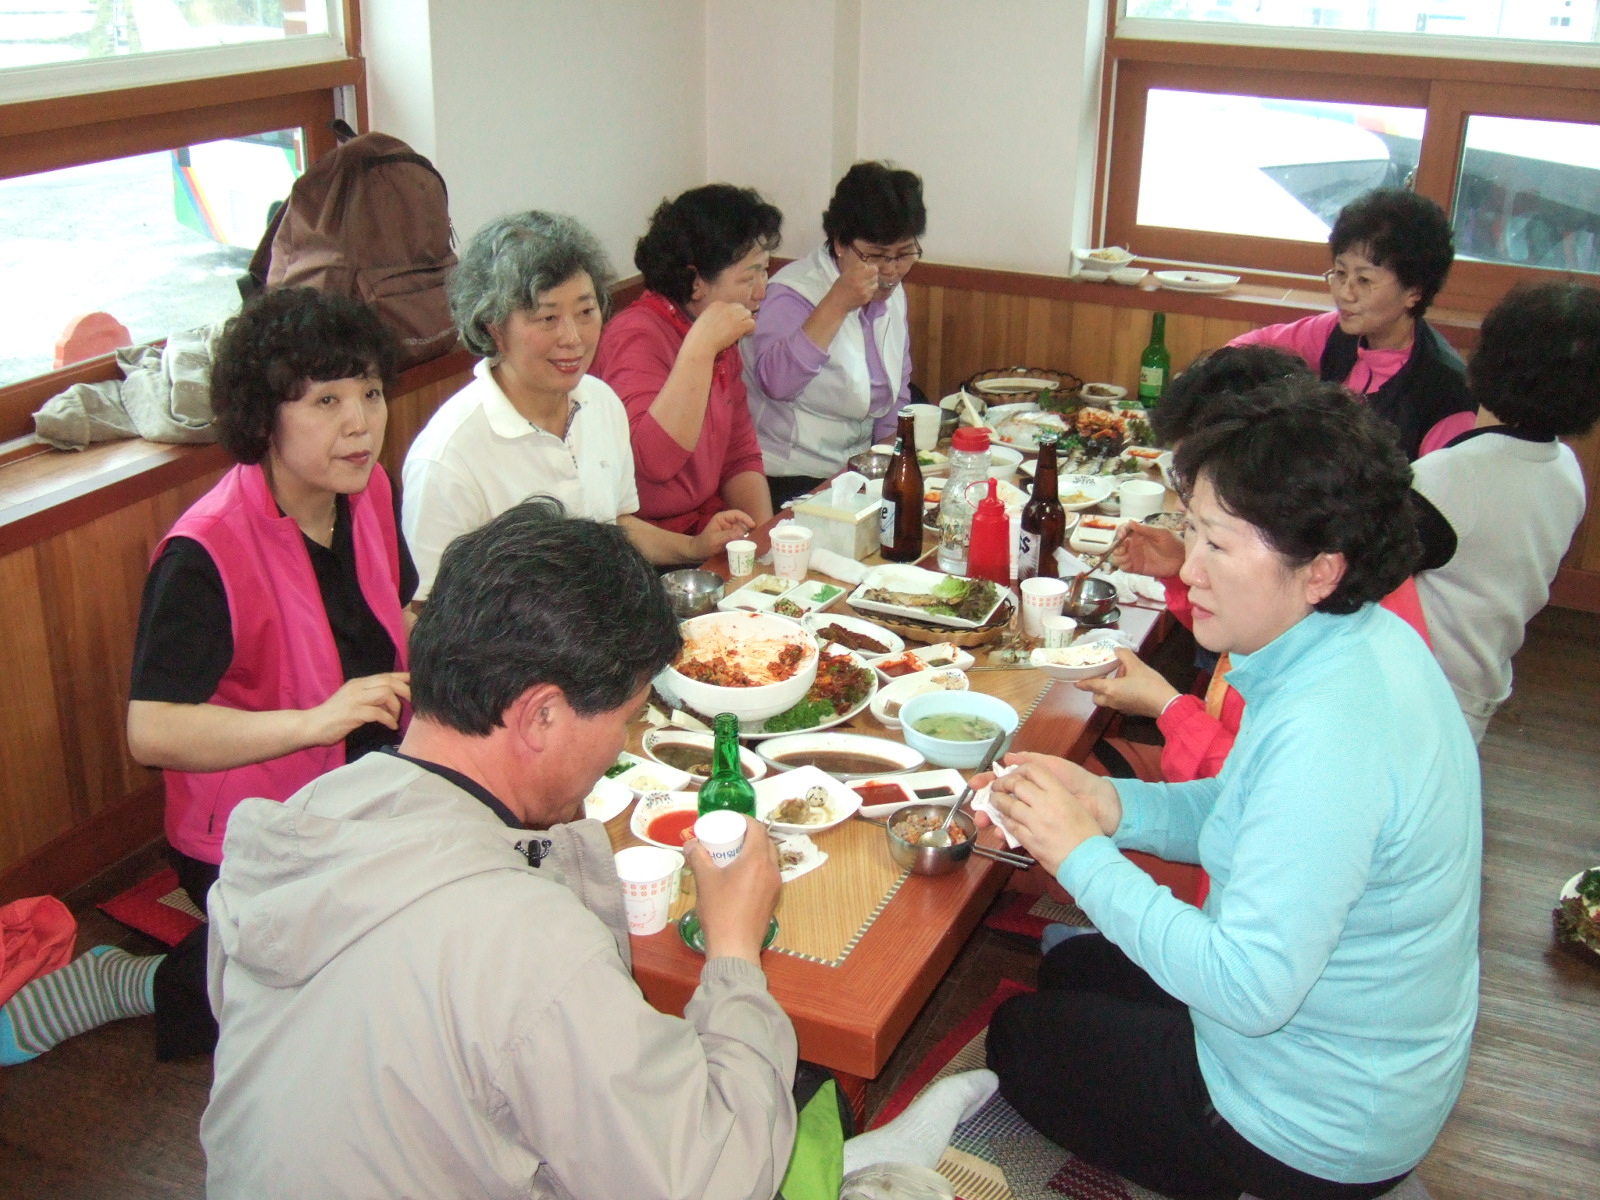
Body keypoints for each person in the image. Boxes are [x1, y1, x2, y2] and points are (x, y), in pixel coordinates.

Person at [198, 498, 996, 1199]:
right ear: (541, 716)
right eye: (626, 718)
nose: (621, 744)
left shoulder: (300, 822)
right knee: (768, 1108)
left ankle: (846, 1159)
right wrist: (732, 953)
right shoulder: (530, 945)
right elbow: (713, 1182)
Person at [982, 383, 1481, 1200]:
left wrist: (1077, 855)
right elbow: (1242, 807)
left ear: (1320, 569)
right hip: (1343, 1045)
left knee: (1019, 1037)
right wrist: (1114, 809)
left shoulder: (1330, 733)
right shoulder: (1354, 640)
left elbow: (1247, 991)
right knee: (1078, 972)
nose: (1191, 568)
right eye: (1191, 531)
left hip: (1310, 1123)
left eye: (1217, 543)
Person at [1, 289, 414, 1067]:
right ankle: (135, 983)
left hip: (358, 781)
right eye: (326, 400)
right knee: (330, 954)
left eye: (369, 392)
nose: (361, 422)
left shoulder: (367, 493)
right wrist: (315, 721)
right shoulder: (207, 551)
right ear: (264, 417)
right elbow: (151, 731)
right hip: (250, 825)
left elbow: (392, 615)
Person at [1091, 351, 1430, 784]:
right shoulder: (1335, 558)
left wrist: (1169, 708)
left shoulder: (1337, 694)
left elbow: (1248, 785)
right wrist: (1180, 568)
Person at [402, 211, 752, 600]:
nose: (573, 338)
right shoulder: (447, 457)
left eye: (586, 312)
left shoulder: (600, 401)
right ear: (494, 328)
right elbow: (427, 610)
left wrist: (693, 547)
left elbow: (614, 527)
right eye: (547, 317)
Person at [1411, 282, 1600, 741]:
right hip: (1479, 687)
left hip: (1419, 694)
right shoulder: (1567, 470)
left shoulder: (1450, 478)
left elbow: (1357, 573)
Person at [1230, 188, 1475, 460]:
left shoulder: (1446, 397)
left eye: (1364, 280)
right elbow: (1240, 351)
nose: (1345, 294)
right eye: (1340, 273)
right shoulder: (1335, 331)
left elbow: (1437, 485)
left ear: (1414, 292)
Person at [591, 184, 779, 535]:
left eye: (765, 271)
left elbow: (739, 456)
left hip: (705, 525)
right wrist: (701, 348)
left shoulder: (715, 331)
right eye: (748, 277)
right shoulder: (636, 335)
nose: (761, 291)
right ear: (695, 281)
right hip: (645, 540)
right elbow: (654, 463)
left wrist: (764, 541)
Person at [745, 161, 925, 507]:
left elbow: (897, 391)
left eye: (904, 254)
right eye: (876, 255)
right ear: (841, 243)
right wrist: (837, 303)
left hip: (859, 469)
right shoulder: (791, 293)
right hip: (790, 474)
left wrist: (891, 462)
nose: (891, 270)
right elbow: (776, 383)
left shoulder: (891, 293)